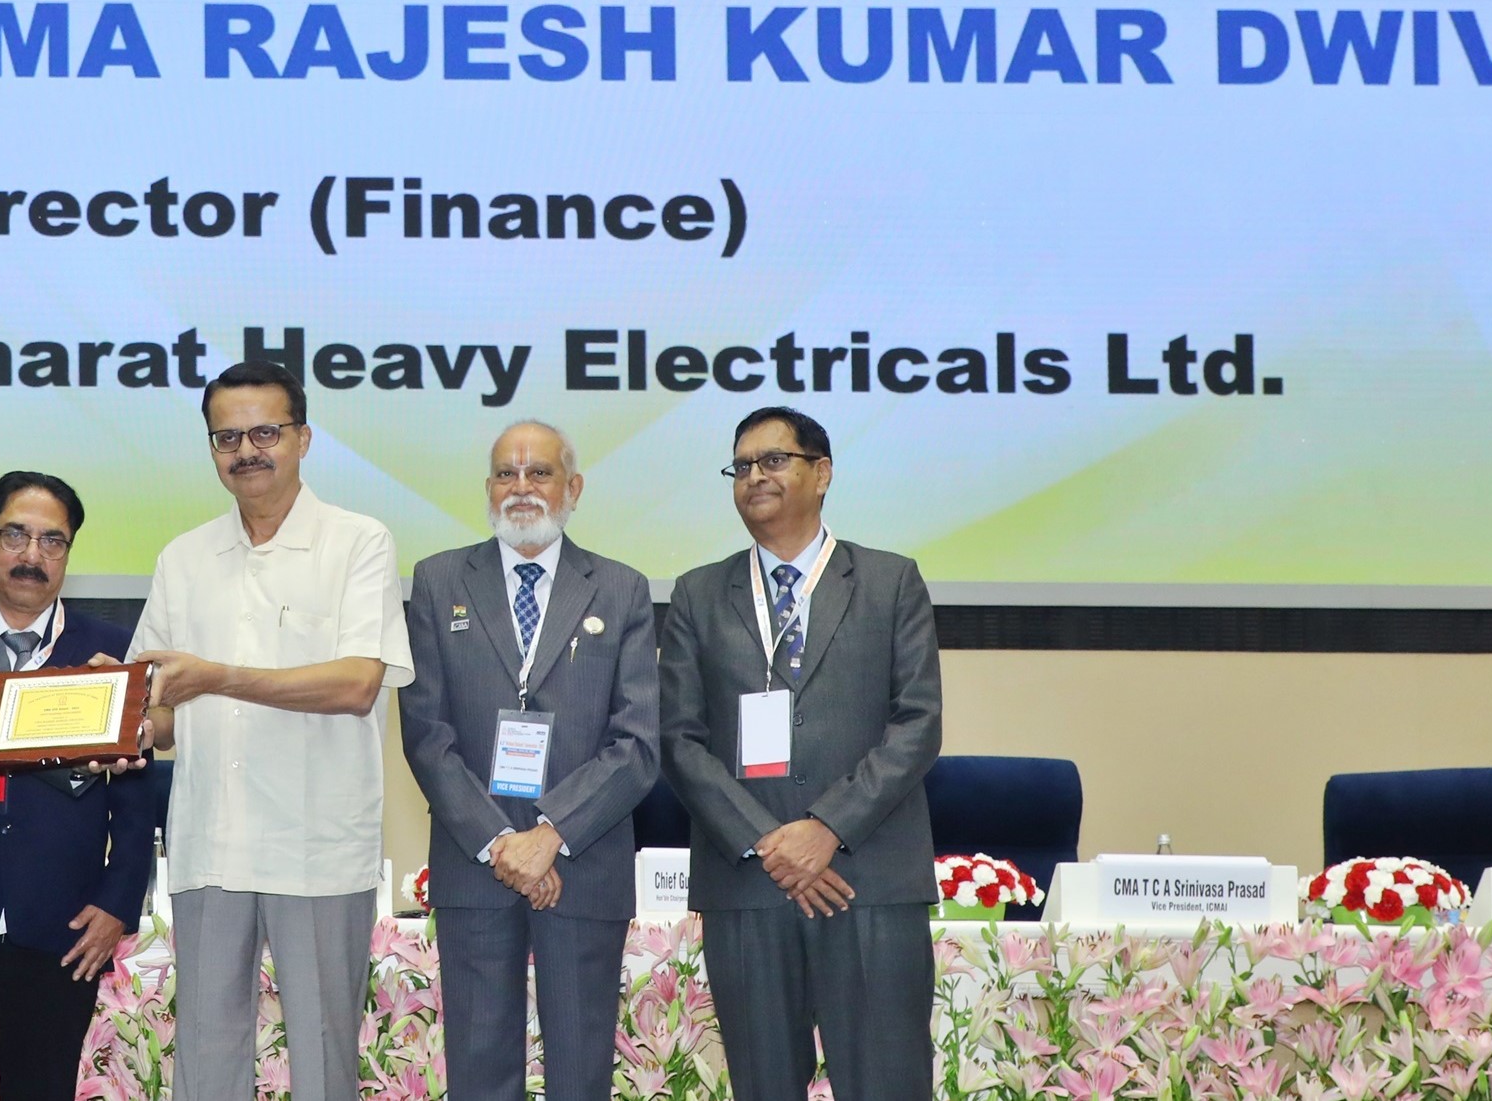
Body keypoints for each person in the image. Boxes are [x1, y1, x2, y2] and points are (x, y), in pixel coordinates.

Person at [128, 360, 413, 1101]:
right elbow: (161, 712)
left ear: (303, 439)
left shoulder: (358, 542)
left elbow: (356, 684)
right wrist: (115, 718)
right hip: (210, 844)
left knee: (322, 1064)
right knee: (206, 1064)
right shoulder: (183, 557)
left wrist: (215, 676)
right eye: (227, 437)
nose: (245, 450)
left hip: (315, 847)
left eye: (265, 432)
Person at [659, 405, 943, 1101]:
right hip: (749, 886)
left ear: (822, 473)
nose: (755, 476)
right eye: (741, 466)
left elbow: (917, 723)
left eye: (773, 460)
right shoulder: (698, 593)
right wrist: (769, 842)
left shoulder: (890, 581)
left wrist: (826, 828)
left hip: (867, 881)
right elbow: (678, 739)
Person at [399, 420, 659, 1101]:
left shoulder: (622, 588)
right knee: (479, 1072)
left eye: (539, 472)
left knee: (580, 1073)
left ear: (573, 487)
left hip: (582, 863)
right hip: (476, 865)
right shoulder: (437, 580)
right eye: (505, 474)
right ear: (487, 487)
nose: (521, 487)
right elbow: (425, 733)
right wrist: (500, 842)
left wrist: (549, 835)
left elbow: (637, 742)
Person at [0, 471, 161, 1101]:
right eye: (15, 535)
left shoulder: (108, 652)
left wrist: (119, 902)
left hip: (63, 923)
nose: (31, 555)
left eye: (51, 541)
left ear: (69, 553)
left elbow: (137, 797)